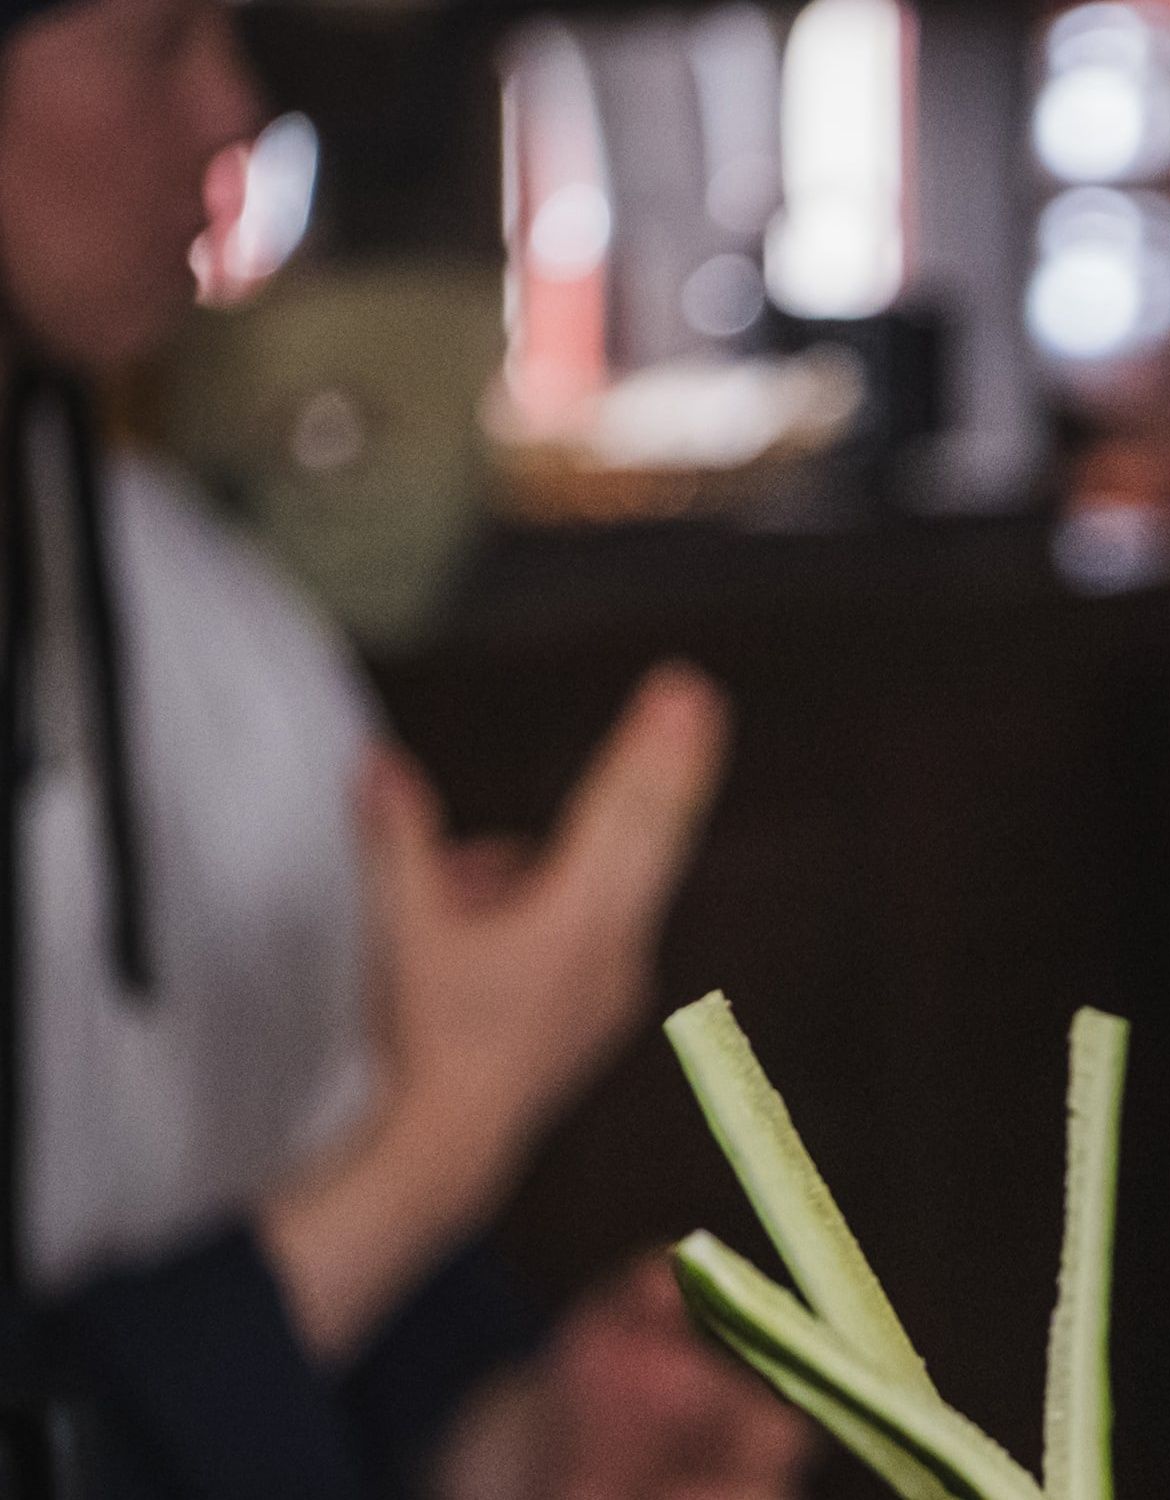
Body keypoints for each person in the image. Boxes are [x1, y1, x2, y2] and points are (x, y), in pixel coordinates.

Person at [0, 0, 811, 1492]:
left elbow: (346, 1338)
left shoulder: (204, 628)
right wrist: (442, 1138)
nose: (235, 106)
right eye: (157, 41)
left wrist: (528, 1450)